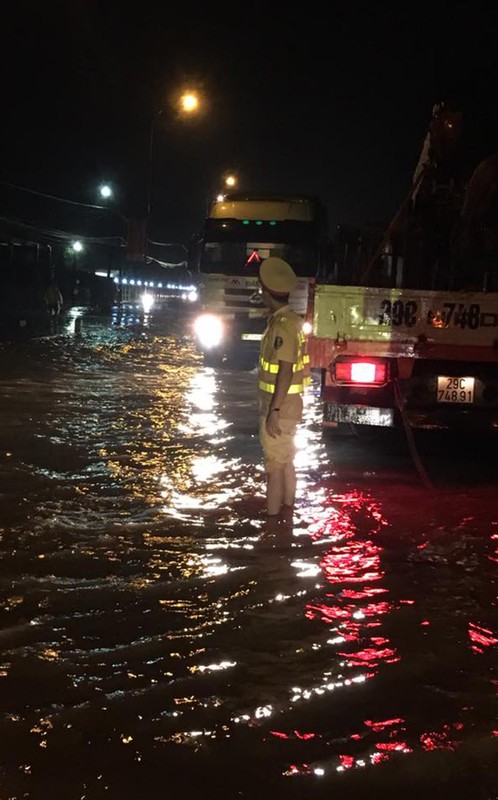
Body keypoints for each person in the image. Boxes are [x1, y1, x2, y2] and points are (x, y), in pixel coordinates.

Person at [258, 257, 310, 531]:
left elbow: (285, 370)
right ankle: (287, 516)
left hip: (281, 406)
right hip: (290, 405)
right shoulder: (292, 321)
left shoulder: (282, 326)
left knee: (274, 466)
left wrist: (273, 412)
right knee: (286, 460)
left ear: (266, 292)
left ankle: (272, 528)